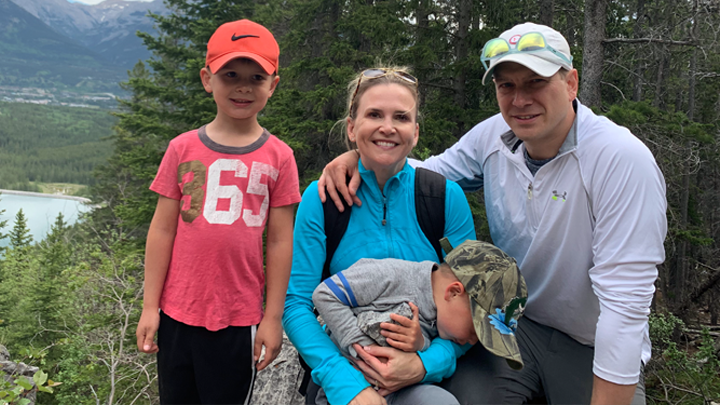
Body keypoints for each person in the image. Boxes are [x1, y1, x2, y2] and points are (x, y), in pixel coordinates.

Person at [319, 22, 667, 405]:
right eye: (507, 85)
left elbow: (625, 306)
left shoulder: (620, 160)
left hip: (591, 343)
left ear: (571, 83)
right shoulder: (495, 136)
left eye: (535, 82)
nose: (520, 100)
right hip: (509, 328)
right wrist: (361, 154)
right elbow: (422, 173)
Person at [283, 66, 477, 405]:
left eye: (400, 117)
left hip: (416, 375)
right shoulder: (323, 199)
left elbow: (470, 305)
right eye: (374, 114)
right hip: (342, 369)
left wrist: (422, 364)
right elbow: (296, 304)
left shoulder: (444, 198)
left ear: (415, 132)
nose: (388, 127)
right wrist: (346, 384)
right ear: (351, 127)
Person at [134, 19, 301, 404]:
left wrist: (272, 319)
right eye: (230, 74)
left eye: (256, 77)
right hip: (177, 315)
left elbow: (279, 241)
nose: (243, 86)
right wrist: (150, 308)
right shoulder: (182, 149)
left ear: (273, 85)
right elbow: (162, 231)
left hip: (238, 318)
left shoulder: (280, 157)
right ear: (207, 79)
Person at [311, 240, 528, 405]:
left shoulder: (443, 317)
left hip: (399, 388)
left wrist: (419, 344)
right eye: (475, 330)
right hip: (348, 386)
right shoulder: (392, 276)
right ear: (453, 292)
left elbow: (423, 346)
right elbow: (325, 294)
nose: (470, 341)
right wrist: (361, 348)